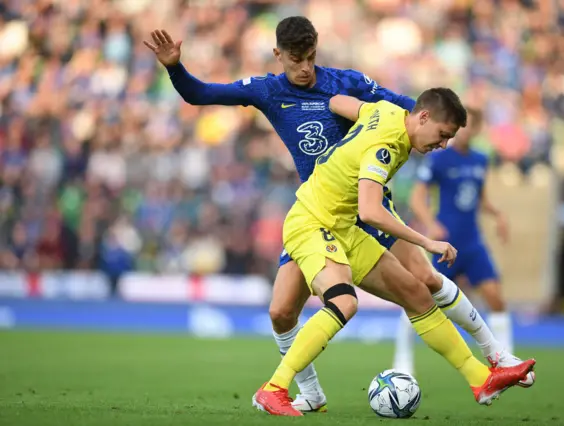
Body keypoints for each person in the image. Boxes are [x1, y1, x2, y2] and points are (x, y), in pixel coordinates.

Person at [144, 16, 526, 413]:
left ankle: (496, 359)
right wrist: (174, 66)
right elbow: (199, 93)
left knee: (423, 281)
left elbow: (410, 110)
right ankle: (306, 393)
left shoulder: (349, 82)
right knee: (281, 312)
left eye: (311, 57)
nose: (306, 68)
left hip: (363, 206)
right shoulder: (267, 91)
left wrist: (436, 125)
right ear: (278, 55)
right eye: (296, 60)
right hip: (321, 210)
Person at [253, 92, 536, 416]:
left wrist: (342, 151)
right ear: (424, 118)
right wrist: (427, 242)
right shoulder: (386, 146)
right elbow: (371, 211)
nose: (442, 145)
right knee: (344, 302)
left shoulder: (387, 110)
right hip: (312, 222)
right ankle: (274, 388)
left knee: (416, 293)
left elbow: (338, 103)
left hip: (343, 227)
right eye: (443, 135)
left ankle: (480, 379)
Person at [410, 108, 515, 356]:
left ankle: (507, 356)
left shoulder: (480, 159)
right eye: (460, 125)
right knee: (420, 299)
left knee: (496, 298)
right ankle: (404, 358)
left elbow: (480, 199)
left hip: (472, 242)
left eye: (470, 125)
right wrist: (430, 223)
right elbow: (417, 199)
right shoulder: (438, 157)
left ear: (477, 129)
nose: (465, 130)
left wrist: (497, 214)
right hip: (445, 243)